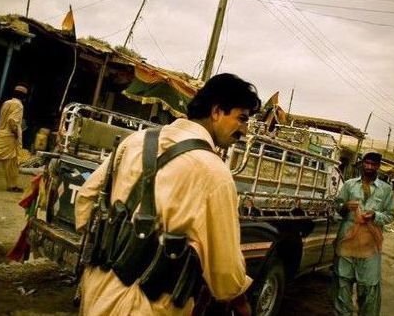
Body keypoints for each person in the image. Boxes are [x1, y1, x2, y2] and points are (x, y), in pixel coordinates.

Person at [75, 73, 260, 315]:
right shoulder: (214, 173)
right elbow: (224, 270)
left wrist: (112, 247)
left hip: (96, 291)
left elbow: (86, 198)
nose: (244, 131)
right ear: (216, 112)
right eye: (242, 119)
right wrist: (241, 302)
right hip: (148, 307)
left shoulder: (136, 141)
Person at [333, 152, 394, 316]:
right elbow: (338, 206)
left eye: (373, 164)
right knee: (342, 283)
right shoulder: (349, 185)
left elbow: (390, 215)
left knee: (368, 287)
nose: (369, 167)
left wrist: (375, 216)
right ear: (362, 165)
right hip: (347, 243)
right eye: (366, 163)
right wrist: (346, 206)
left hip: (370, 247)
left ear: (378, 167)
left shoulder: (386, 190)